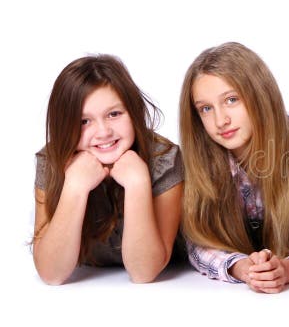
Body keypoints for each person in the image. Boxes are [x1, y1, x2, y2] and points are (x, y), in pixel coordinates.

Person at [179, 42, 289, 293]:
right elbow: (198, 239)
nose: (221, 121)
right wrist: (243, 268)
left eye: (231, 100)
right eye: (206, 108)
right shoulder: (201, 159)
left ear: (259, 95)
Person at [33, 55, 184, 285]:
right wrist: (74, 187)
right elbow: (51, 274)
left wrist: (137, 183)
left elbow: (144, 272)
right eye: (84, 121)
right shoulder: (51, 160)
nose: (103, 132)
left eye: (114, 114)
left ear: (133, 114)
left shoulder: (165, 159)